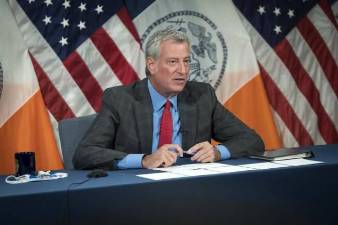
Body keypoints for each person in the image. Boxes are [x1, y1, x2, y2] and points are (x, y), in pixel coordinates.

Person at [73, 29, 264, 170]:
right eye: (173, 62)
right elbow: (85, 153)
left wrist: (217, 152)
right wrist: (144, 160)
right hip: (137, 192)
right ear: (152, 65)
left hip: (193, 190)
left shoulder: (202, 96)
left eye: (186, 61)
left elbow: (252, 140)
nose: (183, 70)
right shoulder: (120, 99)